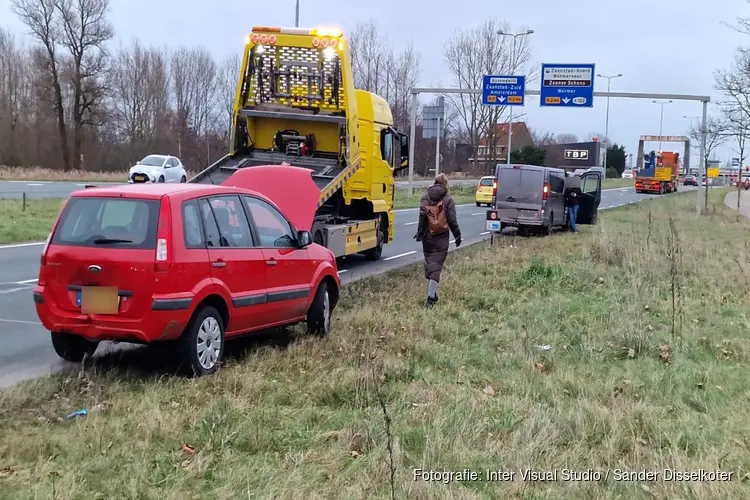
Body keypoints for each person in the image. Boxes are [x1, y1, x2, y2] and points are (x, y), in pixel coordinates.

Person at [414, 174, 461, 307]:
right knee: (436, 267)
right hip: (441, 236)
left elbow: (422, 214)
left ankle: (434, 294)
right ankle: (430, 297)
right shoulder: (448, 200)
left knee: (430, 263)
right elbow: (452, 220)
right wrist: (457, 236)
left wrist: (420, 231)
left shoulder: (426, 197)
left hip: (427, 237)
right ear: (445, 184)